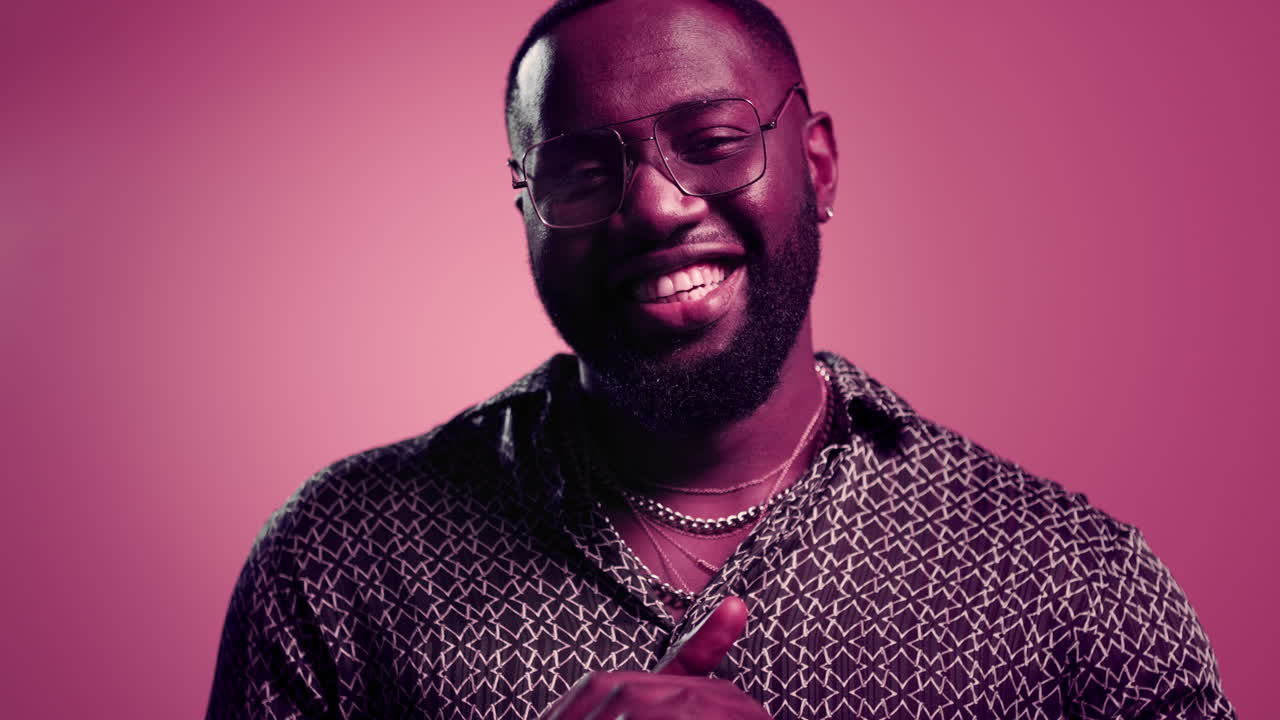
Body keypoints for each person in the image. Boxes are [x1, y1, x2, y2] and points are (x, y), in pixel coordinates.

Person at [207, 0, 1235, 717]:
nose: (654, 205)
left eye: (710, 140)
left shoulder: (1068, 581)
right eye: (578, 171)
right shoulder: (338, 561)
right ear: (523, 211)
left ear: (816, 163)